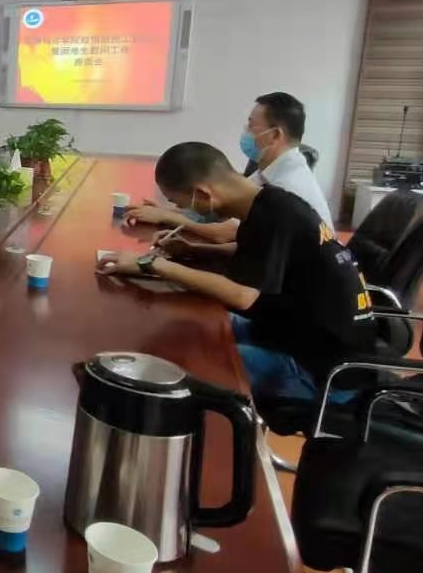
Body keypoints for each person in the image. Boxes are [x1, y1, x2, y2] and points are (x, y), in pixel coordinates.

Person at [99, 142, 373, 402]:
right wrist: (192, 249)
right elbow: (256, 254)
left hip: (321, 371)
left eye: (181, 204)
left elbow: (242, 296)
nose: (184, 211)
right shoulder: (270, 201)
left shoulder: (275, 216)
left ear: (203, 194)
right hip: (284, 330)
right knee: (186, 327)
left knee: (183, 363)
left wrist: (152, 264)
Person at [126, 91, 333, 247]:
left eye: (251, 126)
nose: (246, 132)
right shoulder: (271, 169)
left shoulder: (287, 186)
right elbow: (216, 208)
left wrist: (167, 217)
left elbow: (225, 233)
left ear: (275, 135)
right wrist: (166, 210)